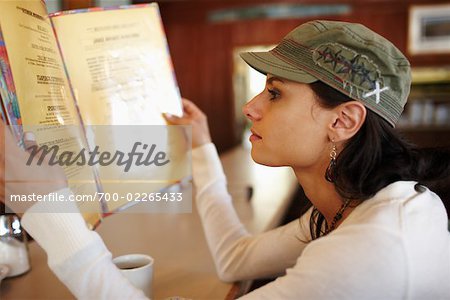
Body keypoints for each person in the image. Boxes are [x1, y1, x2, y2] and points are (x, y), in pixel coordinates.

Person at [2, 20, 450, 299]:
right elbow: (235, 260)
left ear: (344, 121)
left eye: (274, 93)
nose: (251, 106)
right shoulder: (359, 206)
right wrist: (201, 148)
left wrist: (46, 206)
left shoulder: (370, 248)